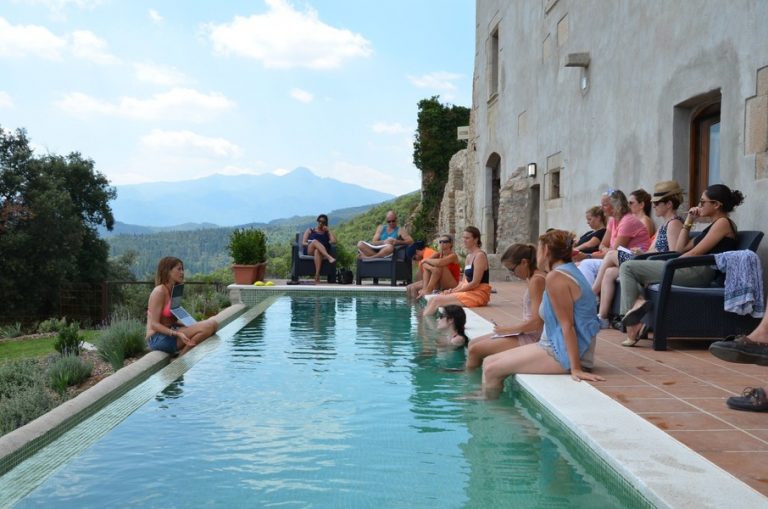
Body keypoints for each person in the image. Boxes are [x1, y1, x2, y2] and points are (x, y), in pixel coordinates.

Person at [479, 230, 604, 399]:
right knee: (488, 362)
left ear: (545, 251)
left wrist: (576, 368)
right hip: (554, 344)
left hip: (564, 352)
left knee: (491, 370)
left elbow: (568, 325)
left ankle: (492, 414)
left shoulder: (556, 277)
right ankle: (489, 404)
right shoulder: (567, 271)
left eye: (538, 249)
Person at [619, 184, 744, 346]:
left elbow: (694, 253)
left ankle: (632, 324)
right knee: (629, 267)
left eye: (702, 202)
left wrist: (671, 264)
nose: (698, 206)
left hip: (700, 272)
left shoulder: (723, 223)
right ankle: (637, 310)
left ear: (716, 205)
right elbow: (680, 249)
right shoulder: (713, 225)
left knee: (628, 267)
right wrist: (690, 220)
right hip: (692, 268)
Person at [592, 181, 685, 327]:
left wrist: (645, 255)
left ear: (669, 204)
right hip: (651, 260)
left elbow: (674, 253)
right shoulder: (664, 224)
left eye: (657, 203)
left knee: (611, 255)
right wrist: (642, 252)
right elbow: (654, 250)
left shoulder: (674, 224)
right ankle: (602, 317)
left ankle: (591, 295)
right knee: (610, 272)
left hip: (659, 265)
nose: (653, 206)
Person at [465, 243, 546, 369]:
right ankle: (471, 377)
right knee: (473, 344)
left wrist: (509, 330)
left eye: (512, 269)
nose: (512, 274)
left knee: (475, 350)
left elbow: (537, 322)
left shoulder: (537, 280)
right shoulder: (532, 278)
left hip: (534, 336)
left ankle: (469, 383)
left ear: (524, 262)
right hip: (528, 331)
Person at [575, 189, 651, 287]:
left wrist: (588, 255)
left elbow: (614, 252)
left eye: (605, 205)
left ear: (616, 206)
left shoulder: (627, 221)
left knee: (586, 264)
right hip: (618, 259)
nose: (602, 209)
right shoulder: (612, 220)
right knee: (577, 265)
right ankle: (588, 298)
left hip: (634, 260)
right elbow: (602, 245)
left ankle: (591, 296)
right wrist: (606, 250)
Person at [146, 257, 218, 356]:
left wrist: (190, 324)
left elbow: (172, 319)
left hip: (172, 330)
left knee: (214, 324)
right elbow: (154, 324)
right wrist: (177, 333)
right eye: (179, 269)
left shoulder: (175, 290)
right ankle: (181, 358)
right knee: (208, 326)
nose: (182, 272)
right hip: (158, 337)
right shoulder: (159, 291)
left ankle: (182, 355)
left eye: (182, 269)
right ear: (168, 271)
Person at [422, 226, 491, 316]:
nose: (464, 240)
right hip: (469, 291)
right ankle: (428, 325)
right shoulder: (469, 257)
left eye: (467, 238)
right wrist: (452, 290)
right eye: (463, 238)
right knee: (433, 299)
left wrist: (456, 292)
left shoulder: (480, 256)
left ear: (476, 239)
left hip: (478, 294)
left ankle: (427, 327)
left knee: (436, 300)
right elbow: (463, 282)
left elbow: (475, 283)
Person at [302, 214, 336, 283]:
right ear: (317, 221)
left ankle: (317, 275)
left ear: (325, 223)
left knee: (317, 251)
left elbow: (334, 241)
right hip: (310, 249)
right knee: (315, 241)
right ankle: (329, 257)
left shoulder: (326, 232)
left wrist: (329, 230)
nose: (321, 223)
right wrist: (312, 243)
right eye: (319, 221)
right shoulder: (310, 230)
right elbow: (303, 243)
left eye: (323, 222)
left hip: (321, 251)